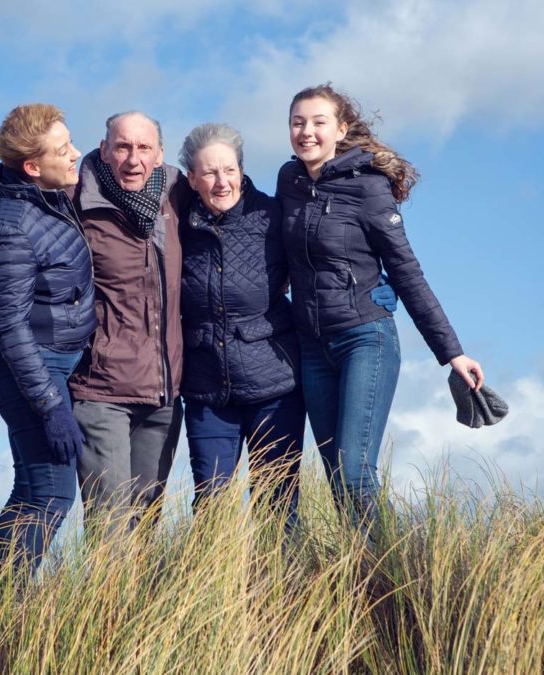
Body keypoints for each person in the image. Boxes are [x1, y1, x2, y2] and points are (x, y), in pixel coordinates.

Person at [0, 111, 189, 534]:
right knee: (108, 527)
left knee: (145, 522)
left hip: (162, 391)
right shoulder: (72, 197)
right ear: (104, 150)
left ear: (160, 155)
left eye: (144, 148)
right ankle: (72, 600)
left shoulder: (178, 196)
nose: (133, 158)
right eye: (122, 146)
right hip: (99, 388)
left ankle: (138, 604)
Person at [276, 84, 484, 532]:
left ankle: (390, 576)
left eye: (318, 122)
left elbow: (407, 272)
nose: (306, 132)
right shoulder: (288, 182)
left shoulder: (368, 189)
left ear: (341, 129)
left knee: (355, 473)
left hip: (364, 337)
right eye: (297, 122)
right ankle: (360, 574)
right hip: (311, 347)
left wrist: (453, 352)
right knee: (336, 477)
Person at [177, 122, 398, 527]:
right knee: (210, 506)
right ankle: (216, 589)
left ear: (242, 171)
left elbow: (324, 256)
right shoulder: (175, 228)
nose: (221, 182)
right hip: (207, 388)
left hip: (274, 385)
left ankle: (285, 590)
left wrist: (376, 284)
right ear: (191, 179)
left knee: (277, 509)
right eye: (208, 173)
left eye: (229, 170)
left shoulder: (271, 215)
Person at [0, 103, 96, 587]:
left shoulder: (29, 193)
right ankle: (2, 606)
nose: (76, 153)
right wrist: (50, 406)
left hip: (45, 360)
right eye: (64, 150)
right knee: (50, 491)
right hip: (26, 367)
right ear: (32, 166)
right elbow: (12, 327)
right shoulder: (9, 222)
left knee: (33, 487)